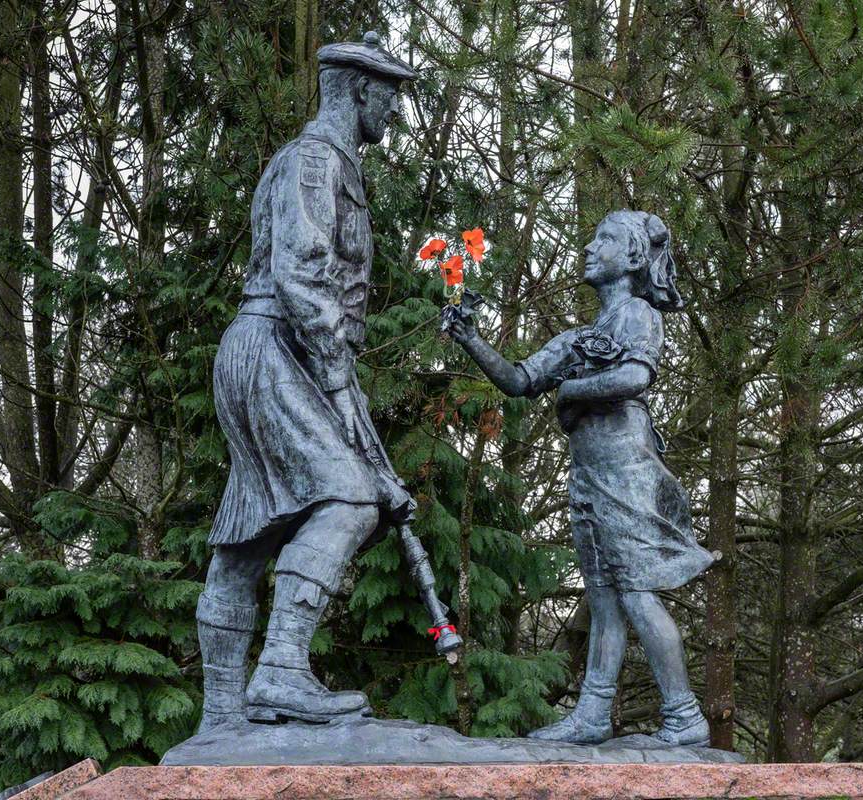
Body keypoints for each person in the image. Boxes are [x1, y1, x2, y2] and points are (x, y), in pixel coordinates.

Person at [195, 33, 417, 732]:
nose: (395, 112)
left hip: (270, 344)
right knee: (351, 499)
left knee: (247, 541)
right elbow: (302, 270)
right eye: (390, 95)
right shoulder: (317, 161)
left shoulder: (320, 160)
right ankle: (283, 670)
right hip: (277, 344)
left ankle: (221, 718)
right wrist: (336, 382)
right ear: (358, 90)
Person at [444, 210, 715, 746]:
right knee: (605, 597)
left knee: (635, 594)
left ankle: (685, 716)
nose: (590, 246)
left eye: (605, 237)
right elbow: (521, 379)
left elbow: (637, 374)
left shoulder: (637, 313)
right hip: (589, 474)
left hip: (626, 470)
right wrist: (469, 339)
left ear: (634, 257)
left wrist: (570, 392)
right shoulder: (580, 336)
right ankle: (592, 715)